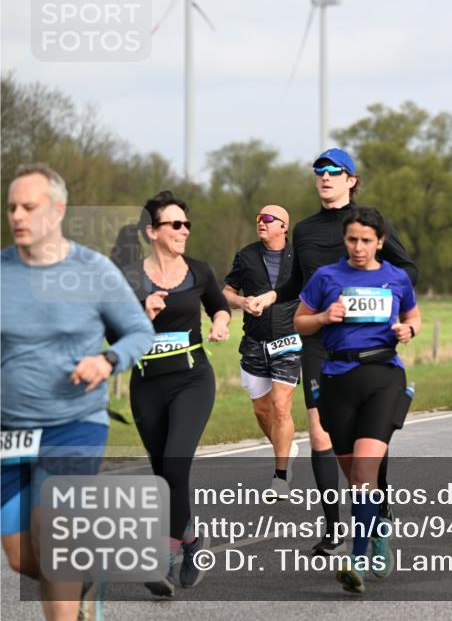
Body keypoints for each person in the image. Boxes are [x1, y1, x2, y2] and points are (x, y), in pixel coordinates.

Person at [247, 147, 418, 557]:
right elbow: (295, 285)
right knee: (322, 430)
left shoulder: (367, 223)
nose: (324, 177)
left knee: (365, 433)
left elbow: (407, 269)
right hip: (319, 341)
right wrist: (270, 296)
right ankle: (332, 527)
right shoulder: (303, 230)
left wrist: (379, 297)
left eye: (333, 171)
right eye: (318, 171)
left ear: (351, 179)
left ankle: (378, 504)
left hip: (366, 340)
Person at [2, 164, 154, 621]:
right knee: (20, 558)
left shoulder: (93, 271)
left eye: (29, 206)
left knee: (55, 545)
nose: (17, 216)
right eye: (11, 207)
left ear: (58, 210)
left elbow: (138, 333)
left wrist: (106, 360)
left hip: (74, 423)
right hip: (9, 429)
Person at [294, 207, 420, 593]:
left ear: (380, 241)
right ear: (344, 241)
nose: (359, 247)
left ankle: (357, 559)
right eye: (352, 240)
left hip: (383, 376)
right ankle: (378, 527)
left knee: (365, 472)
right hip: (337, 379)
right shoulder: (326, 277)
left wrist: (407, 330)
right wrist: (323, 318)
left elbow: (413, 316)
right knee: (355, 478)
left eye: (367, 240)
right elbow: (301, 321)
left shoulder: (396, 277)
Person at [121, 191, 231, 596]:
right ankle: (190, 540)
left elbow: (220, 306)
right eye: (175, 224)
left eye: (186, 224)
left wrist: (219, 324)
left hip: (191, 380)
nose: (184, 230)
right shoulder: (130, 276)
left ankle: (164, 557)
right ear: (153, 231)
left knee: (175, 463)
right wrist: (141, 315)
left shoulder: (198, 271)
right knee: (163, 474)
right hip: (146, 383)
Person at [223, 205, 300, 500]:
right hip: (254, 342)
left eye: (268, 219)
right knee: (262, 410)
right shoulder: (246, 256)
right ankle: (285, 448)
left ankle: (280, 476)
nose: (261, 223)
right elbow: (226, 292)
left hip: (288, 340)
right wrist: (242, 303)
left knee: (281, 405)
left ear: (283, 226)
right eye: (258, 218)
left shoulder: (298, 258)